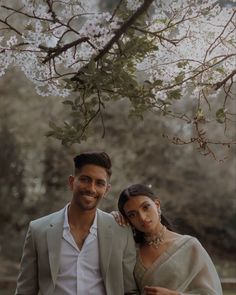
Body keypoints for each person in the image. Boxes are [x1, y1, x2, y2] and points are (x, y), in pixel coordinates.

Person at [15, 151, 138, 295]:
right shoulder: (38, 230)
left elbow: (130, 291)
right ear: (72, 182)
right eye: (85, 179)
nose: (91, 188)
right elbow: (25, 290)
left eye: (99, 183)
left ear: (106, 190)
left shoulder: (121, 231)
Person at [114, 183, 223, 295]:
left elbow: (212, 293)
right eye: (132, 214)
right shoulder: (131, 251)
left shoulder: (189, 246)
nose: (142, 217)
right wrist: (113, 220)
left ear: (157, 205)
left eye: (146, 207)